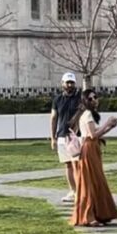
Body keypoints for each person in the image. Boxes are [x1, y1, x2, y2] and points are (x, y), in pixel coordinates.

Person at [70, 89, 117, 227]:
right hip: (89, 148)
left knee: (97, 180)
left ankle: (99, 214)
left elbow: (97, 134)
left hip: (93, 148)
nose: (94, 100)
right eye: (91, 98)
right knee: (90, 181)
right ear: (86, 101)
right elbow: (92, 135)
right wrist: (107, 123)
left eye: (95, 97)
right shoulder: (87, 115)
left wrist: (110, 127)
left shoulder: (88, 115)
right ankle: (89, 216)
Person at [50, 72, 82, 203]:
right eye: (67, 82)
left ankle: (81, 191)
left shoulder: (80, 98)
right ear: (62, 84)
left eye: (72, 83)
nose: (70, 85)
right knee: (68, 165)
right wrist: (53, 138)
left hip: (76, 137)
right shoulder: (57, 100)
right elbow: (53, 118)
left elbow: (82, 114)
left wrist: (76, 131)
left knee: (77, 165)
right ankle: (73, 191)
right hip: (62, 136)